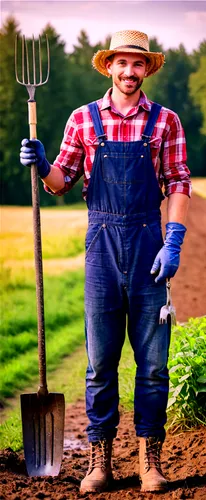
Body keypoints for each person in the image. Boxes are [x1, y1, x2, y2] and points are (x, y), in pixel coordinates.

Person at [20, 30, 191, 494]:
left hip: (148, 246)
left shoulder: (165, 121)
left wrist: (173, 240)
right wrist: (40, 163)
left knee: (153, 365)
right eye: (122, 63)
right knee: (100, 365)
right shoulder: (83, 119)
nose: (130, 72)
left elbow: (177, 183)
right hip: (101, 249)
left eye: (138, 64)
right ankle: (101, 461)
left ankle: (149, 462)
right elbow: (61, 180)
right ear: (109, 66)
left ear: (147, 69)